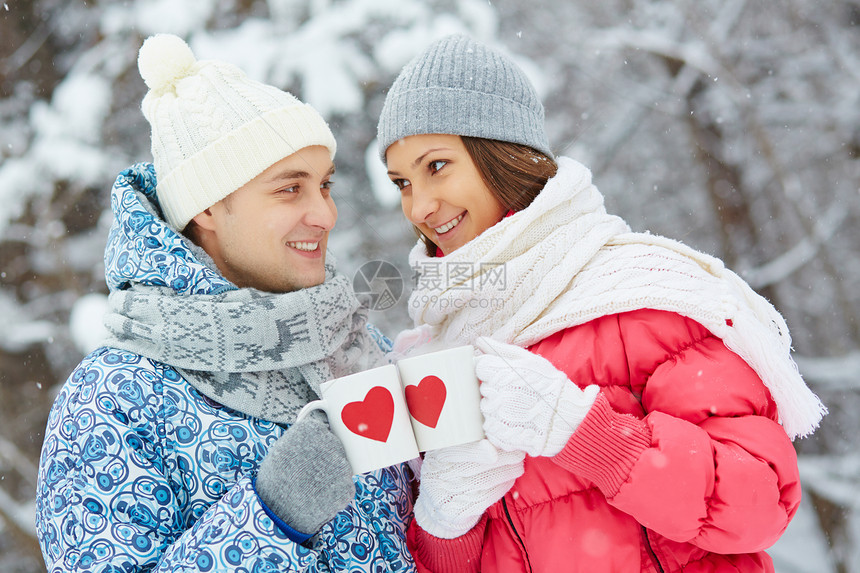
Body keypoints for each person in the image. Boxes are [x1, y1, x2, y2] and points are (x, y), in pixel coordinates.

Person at [376, 34, 827, 572]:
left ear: (501, 156)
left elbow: (760, 505)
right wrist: (446, 518)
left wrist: (586, 433)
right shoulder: (431, 352)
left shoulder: (642, 300)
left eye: (437, 166)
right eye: (401, 182)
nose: (420, 206)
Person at [35, 34, 415, 572]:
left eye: (324, 185)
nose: (325, 214)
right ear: (209, 208)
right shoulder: (114, 399)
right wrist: (272, 519)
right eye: (290, 189)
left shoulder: (353, 343)